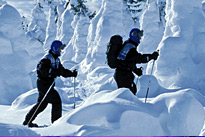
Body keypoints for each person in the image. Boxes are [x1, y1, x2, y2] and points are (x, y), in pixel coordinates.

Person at [23, 40, 78, 127]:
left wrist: (72, 74)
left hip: (47, 84)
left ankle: (27, 121)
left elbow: (61, 71)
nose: (61, 50)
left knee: (42, 104)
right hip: (43, 84)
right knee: (56, 101)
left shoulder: (56, 59)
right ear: (55, 48)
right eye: (60, 49)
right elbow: (43, 70)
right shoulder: (47, 58)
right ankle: (56, 124)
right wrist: (53, 72)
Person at [114, 28, 159, 95]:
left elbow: (128, 61)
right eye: (139, 36)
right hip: (123, 75)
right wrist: (151, 56)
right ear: (134, 35)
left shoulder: (128, 45)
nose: (140, 39)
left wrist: (136, 70)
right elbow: (139, 58)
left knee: (131, 92)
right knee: (127, 95)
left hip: (123, 74)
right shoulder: (130, 47)